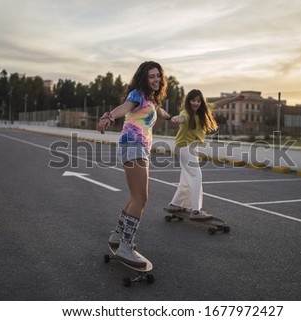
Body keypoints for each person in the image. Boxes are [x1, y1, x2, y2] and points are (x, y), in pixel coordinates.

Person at [97, 61, 171, 266]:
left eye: (158, 75)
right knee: (141, 198)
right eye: (151, 76)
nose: (156, 79)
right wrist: (109, 116)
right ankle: (125, 247)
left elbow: (162, 113)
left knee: (135, 198)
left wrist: (173, 118)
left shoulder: (151, 100)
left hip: (139, 148)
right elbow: (124, 107)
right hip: (133, 145)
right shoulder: (137, 94)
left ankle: (117, 236)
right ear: (143, 79)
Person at [164, 89, 245, 220]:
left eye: (198, 100)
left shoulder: (204, 109)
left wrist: (234, 98)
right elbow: (181, 118)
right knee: (196, 177)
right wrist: (174, 119)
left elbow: (218, 103)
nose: (195, 103)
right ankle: (196, 211)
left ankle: (175, 204)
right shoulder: (186, 112)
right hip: (185, 148)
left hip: (185, 148)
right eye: (192, 100)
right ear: (188, 101)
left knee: (186, 177)